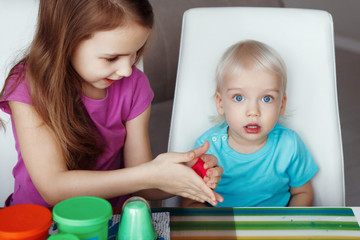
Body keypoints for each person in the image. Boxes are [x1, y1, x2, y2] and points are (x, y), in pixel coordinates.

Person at [0, 0, 224, 208]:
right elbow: (54, 188)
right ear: (65, 41)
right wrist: (150, 173)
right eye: (111, 58)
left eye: (135, 54)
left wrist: (179, 174)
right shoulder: (28, 84)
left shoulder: (134, 85)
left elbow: (143, 183)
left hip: (112, 218)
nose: (126, 70)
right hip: (40, 222)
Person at [182, 40, 318, 208]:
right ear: (220, 103)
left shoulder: (289, 144)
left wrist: (287, 226)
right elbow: (191, 201)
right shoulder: (207, 147)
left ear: (281, 104)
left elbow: (303, 192)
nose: (253, 111)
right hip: (223, 229)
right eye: (239, 98)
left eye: (266, 98)